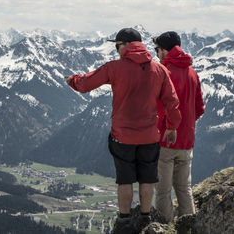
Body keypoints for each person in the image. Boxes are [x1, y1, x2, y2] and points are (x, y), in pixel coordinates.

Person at [65, 28, 181, 232]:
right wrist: (172, 127)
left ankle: (124, 219)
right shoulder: (159, 69)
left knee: (125, 179)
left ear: (126, 45)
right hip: (150, 136)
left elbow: (84, 85)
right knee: (148, 177)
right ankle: (146, 217)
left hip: (123, 137)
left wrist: (72, 80)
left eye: (117, 46)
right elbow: (172, 102)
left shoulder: (114, 67)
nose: (117, 50)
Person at [153, 31, 205, 223]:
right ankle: (189, 225)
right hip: (187, 141)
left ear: (166, 50)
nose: (156, 53)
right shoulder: (192, 73)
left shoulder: (163, 72)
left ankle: (165, 227)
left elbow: (159, 107)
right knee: (184, 189)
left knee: (163, 191)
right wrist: (187, 125)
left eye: (157, 49)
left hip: (166, 140)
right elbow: (199, 108)